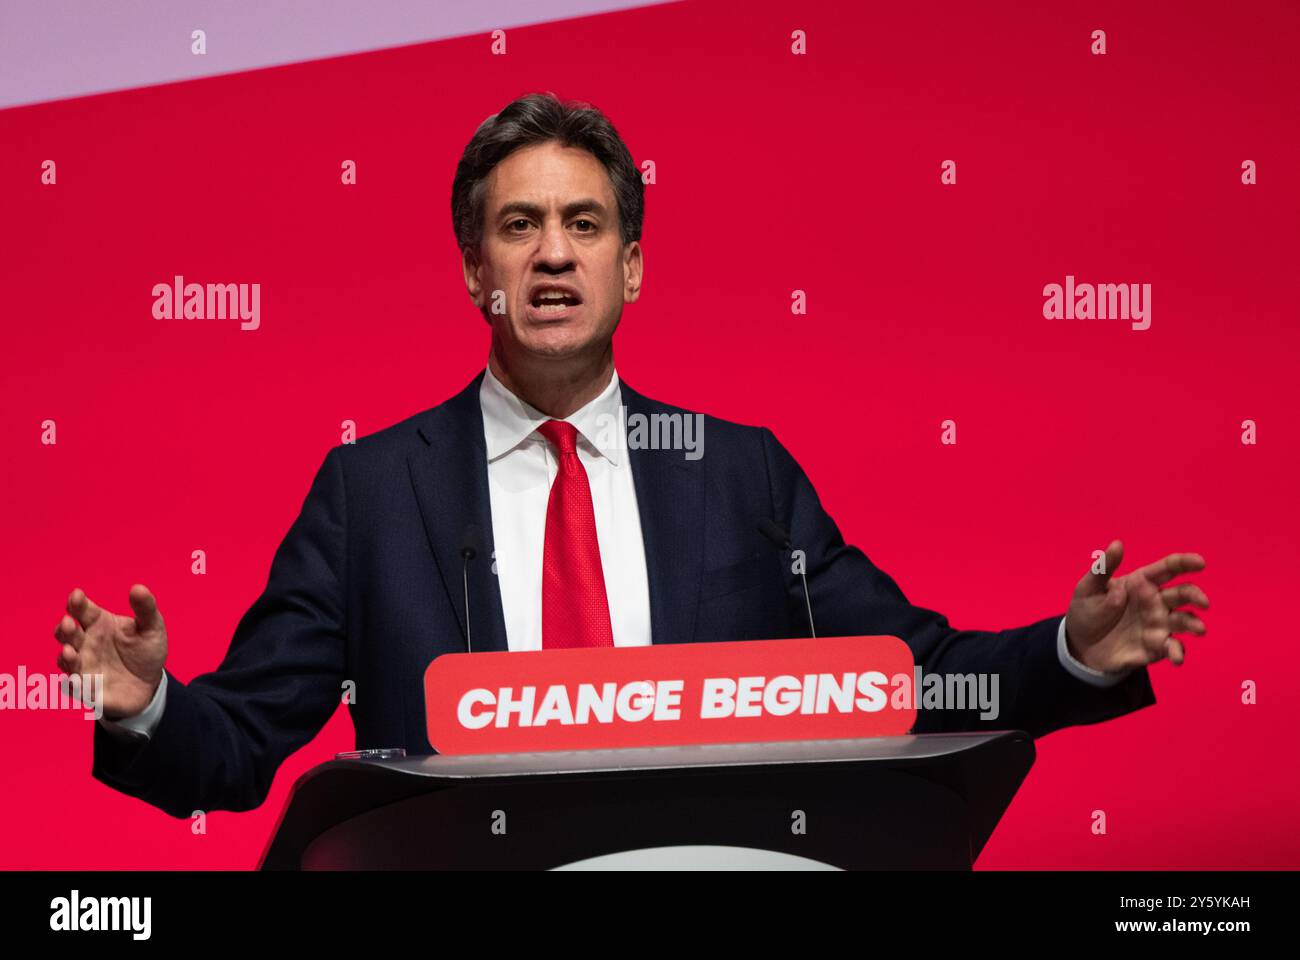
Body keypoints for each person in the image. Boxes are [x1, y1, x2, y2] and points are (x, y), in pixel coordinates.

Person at [55, 93, 1209, 818]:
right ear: (474, 273)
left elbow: (906, 677)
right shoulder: (373, 492)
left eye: (584, 225)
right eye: (518, 228)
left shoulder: (741, 475)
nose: (552, 255)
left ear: (633, 266)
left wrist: (1073, 653)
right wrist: (146, 701)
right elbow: (244, 746)